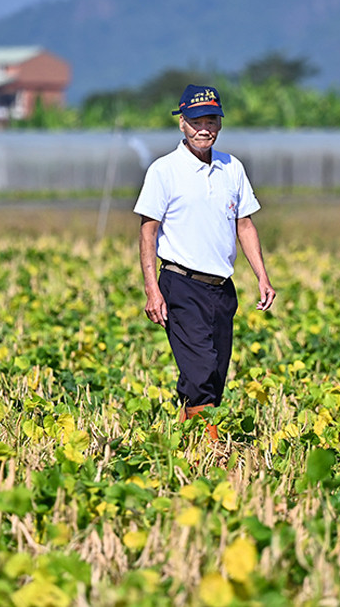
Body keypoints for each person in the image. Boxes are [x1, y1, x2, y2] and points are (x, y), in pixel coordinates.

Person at [134, 84, 275, 440]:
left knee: (214, 375)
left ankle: (185, 438)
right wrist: (152, 290)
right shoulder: (164, 171)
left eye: (211, 120)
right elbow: (148, 232)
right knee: (200, 372)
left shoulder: (232, 168)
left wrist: (262, 277)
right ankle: (209, 448)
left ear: (220, 124)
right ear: (182, 123)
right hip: (180, 284)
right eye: (196, 120)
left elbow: (245, 223)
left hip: (221, 289)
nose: (204, 128)